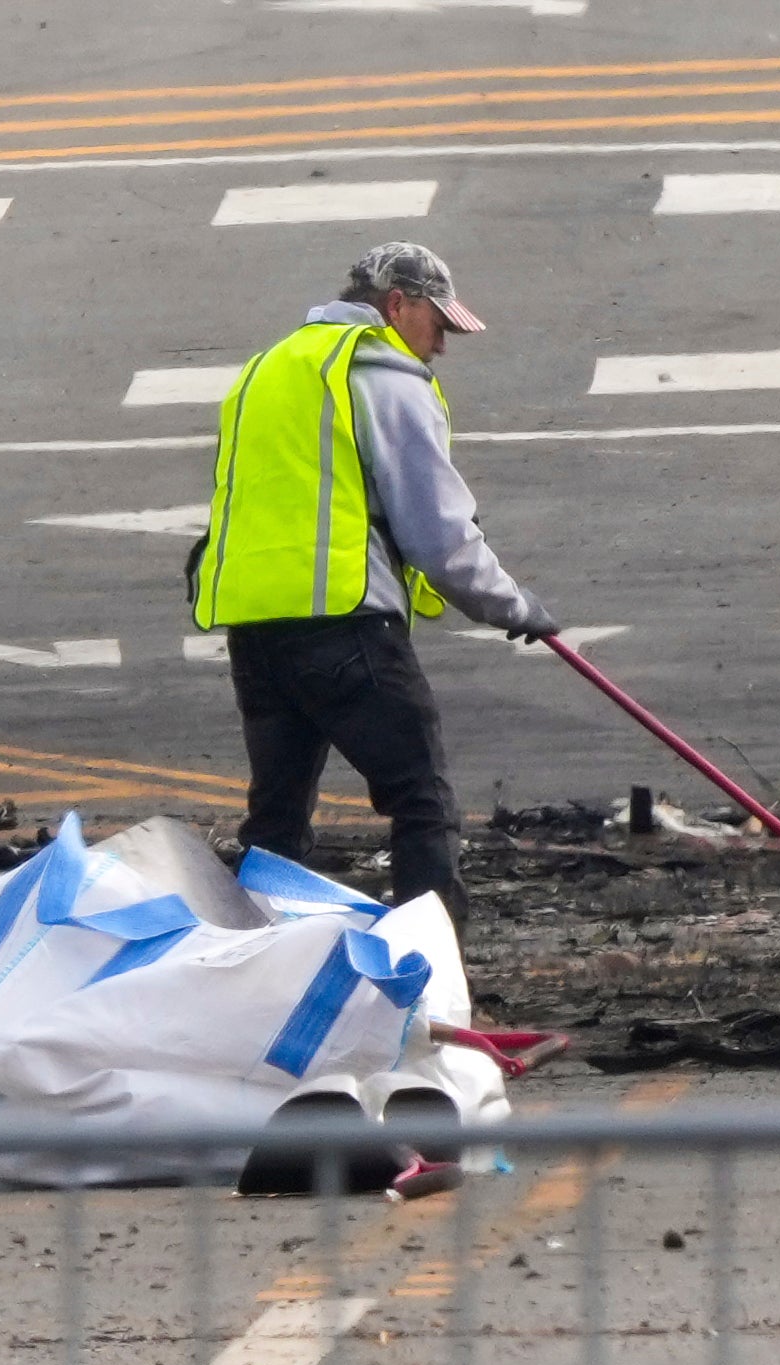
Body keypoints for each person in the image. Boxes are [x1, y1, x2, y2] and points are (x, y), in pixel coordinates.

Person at [189, 241, 559, 933]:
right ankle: (427, 971)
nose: (440, 347)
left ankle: (249, 970)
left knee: (277, 822)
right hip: (343, 626)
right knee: (421, 797)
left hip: (255, 630)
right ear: (399, 304)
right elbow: (438, 536)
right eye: (438, 325)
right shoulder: (382, 375)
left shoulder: (270, 367)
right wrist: (515, 607)